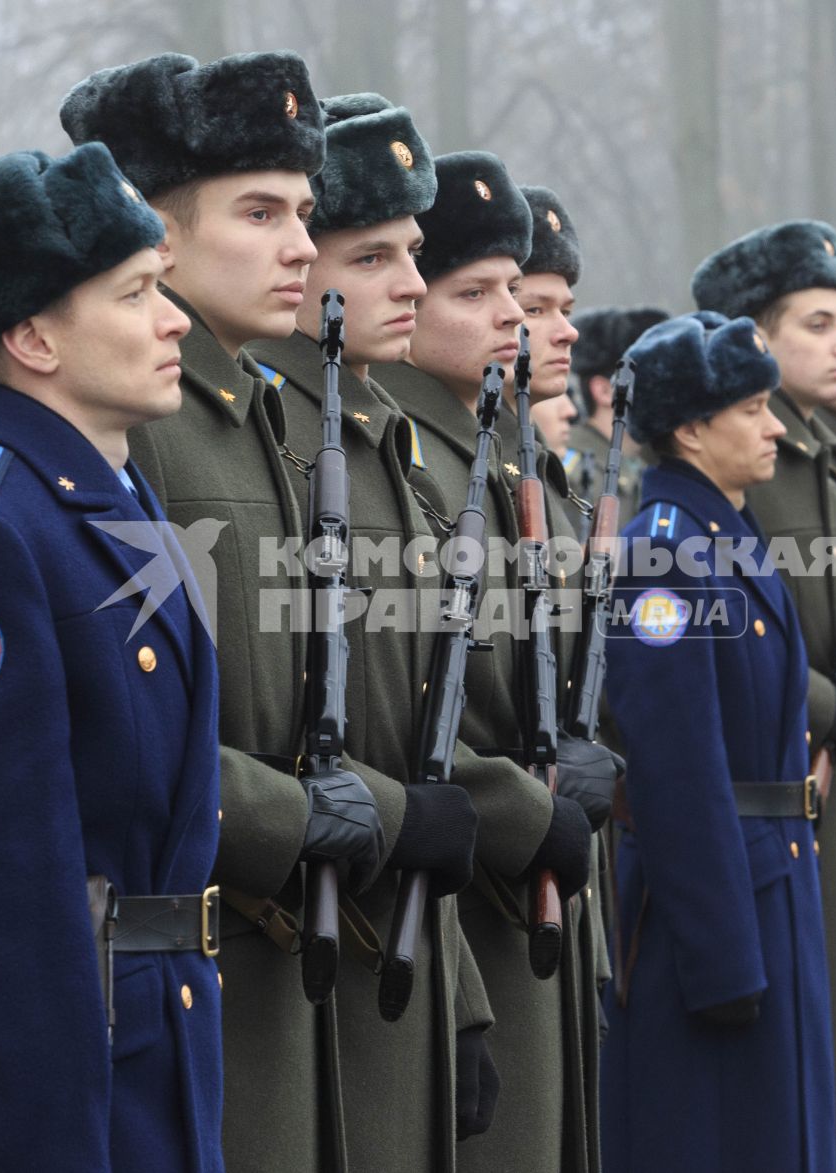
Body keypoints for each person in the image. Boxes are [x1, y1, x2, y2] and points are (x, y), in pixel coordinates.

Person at [64, 53, 496, 1172]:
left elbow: (393, 733)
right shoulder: (141, 427)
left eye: (306, 215)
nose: (299, 247)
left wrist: (463, 994)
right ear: (155, 233)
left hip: (342, 961)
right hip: (223, 967)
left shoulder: (257, 413)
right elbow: (126, 734)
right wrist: (339, 822)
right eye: (262, 213)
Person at [0, 140, 221, 1171]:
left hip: (156, 1051)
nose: (175, 321)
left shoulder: (104, 493)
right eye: (136, 294)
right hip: (65, 1089)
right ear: (30, 335)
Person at [373, 158, 612, 1173]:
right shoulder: (407, 470)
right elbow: (413, 715)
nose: (519, 318)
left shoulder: (509, 463)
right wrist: (531, 809)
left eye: (524, 294)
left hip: (542, 892)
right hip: (476, 898)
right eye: (476, 293)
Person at [600, 310, 835, 1172]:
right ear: (692, 429)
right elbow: (676, 766)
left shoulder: (723, 534)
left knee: (776, 1130)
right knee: (717, 1136)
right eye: (752, 410)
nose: (775, 425)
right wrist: (723, 955)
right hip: (717, 900)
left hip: (769, 874)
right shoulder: (664, 554)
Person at [691, 218, 836, 1173]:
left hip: (829, 781)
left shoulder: (829, 454)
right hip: (778, 787)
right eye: (825, 324)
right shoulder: (740, 469)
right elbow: (738, 649)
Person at [565, 305, 664, 514]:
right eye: (652, 379)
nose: (667, 394)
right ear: (605, 391)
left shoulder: (640, 467)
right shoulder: (573, 477)